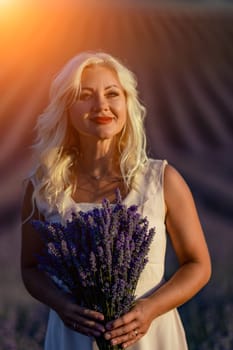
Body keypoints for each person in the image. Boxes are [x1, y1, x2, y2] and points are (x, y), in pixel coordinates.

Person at [21, 51, 211, 350]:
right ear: (66, 107)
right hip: (74, 338)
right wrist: (62, 305)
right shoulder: (43, 187)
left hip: (149, 336)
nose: (102, 106)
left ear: (127, 103)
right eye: (86, 95)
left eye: (113, 94)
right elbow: (30, 268)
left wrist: (149, 310)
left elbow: (198, 264)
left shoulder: (162, 179)